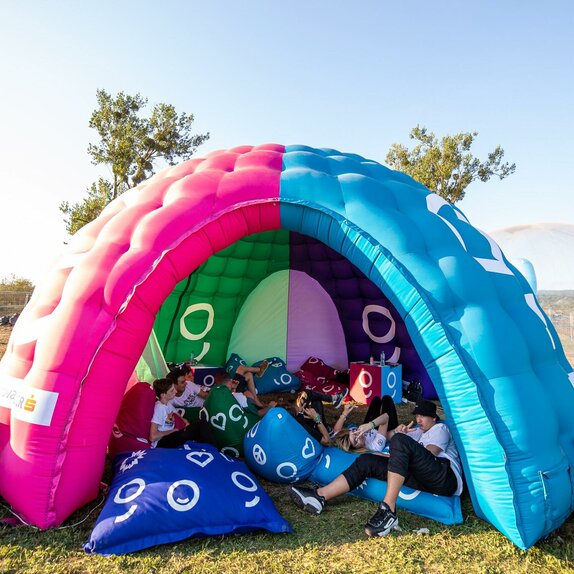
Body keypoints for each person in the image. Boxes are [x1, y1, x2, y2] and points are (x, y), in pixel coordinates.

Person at [289, 399, 463, 537]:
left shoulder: (441, 428)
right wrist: (399, 436)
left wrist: (399, 444)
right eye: (417, 416)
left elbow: (428, 455)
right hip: (421, 477)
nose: (418, 420)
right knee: (367, 460)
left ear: (433, 417)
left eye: (423, 416)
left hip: (443, 476)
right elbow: (396, 444)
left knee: (399, 441)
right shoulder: (419, 431)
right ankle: (319, 497)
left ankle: (388, 511)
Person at [149, 378, 199, 448]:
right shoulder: (159, 408)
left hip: (172, 434)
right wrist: (173, 431)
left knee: (197, 425)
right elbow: (153, 436)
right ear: (163, 395)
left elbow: (180, 417)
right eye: (172, 390)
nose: (175, 391)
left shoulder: (168, 404)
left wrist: (186, 423)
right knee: (200, 425)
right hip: (161, 442)